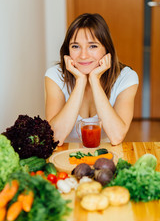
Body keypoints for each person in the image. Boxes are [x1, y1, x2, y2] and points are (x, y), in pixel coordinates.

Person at [45, 13, 138, 146]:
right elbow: (55, 137)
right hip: (64, 156)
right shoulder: (55, 76)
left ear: (106, 48)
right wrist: (80, 82)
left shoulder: (126, 78)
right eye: (75, 46)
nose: (83, 55)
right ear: (68, 50)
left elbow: (116, 136)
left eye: (93, 46)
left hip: (105, 156)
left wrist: (94, 80)